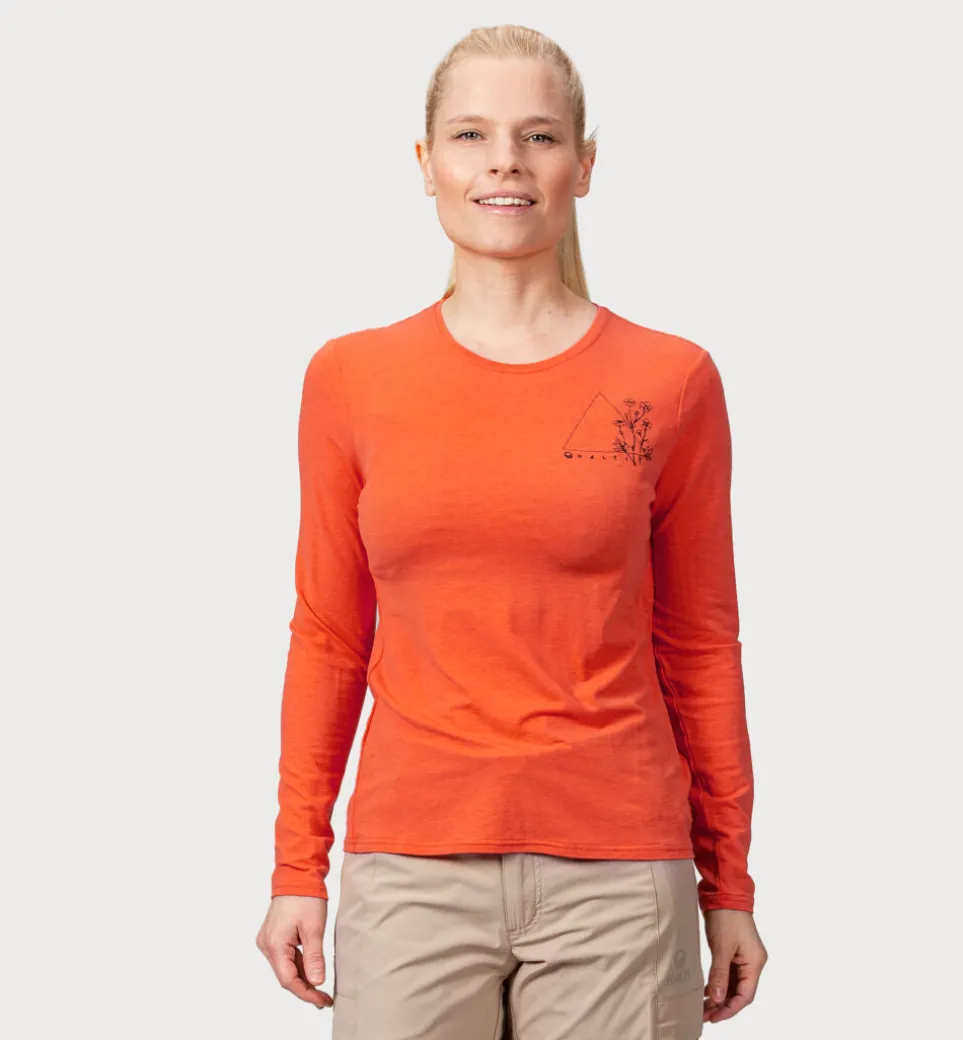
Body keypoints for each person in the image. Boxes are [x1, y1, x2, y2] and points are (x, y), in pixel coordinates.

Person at [255, 23, 767, 1039]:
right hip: (410, 865)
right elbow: (329, 635)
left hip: (619, 871)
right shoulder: (350, 378)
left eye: (538, 136)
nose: (504, 161)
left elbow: (701, 643)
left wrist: (730, 881)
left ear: (584, 164)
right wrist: (295, 866)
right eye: (470, 135)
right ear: (425, 163)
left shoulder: (670, 380)